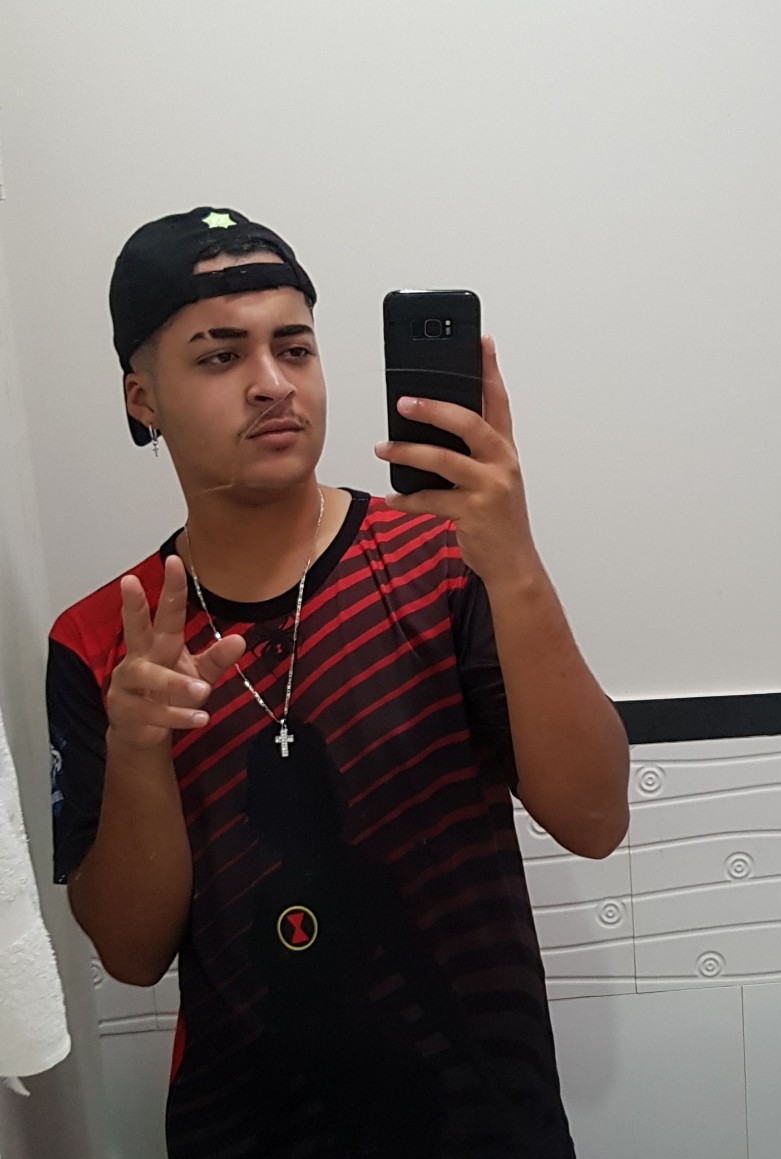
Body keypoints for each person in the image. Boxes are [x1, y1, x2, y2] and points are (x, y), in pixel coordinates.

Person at [48, 206, 630, 1159]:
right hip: (244, 1131)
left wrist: (517, 564)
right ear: (141, 397)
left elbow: (596, 819)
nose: (273, 384)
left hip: (484, 1123)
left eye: (295, 348)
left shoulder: (448, 561)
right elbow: (131, 952)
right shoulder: (103, 639)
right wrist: (138, 749)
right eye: (220, 355)